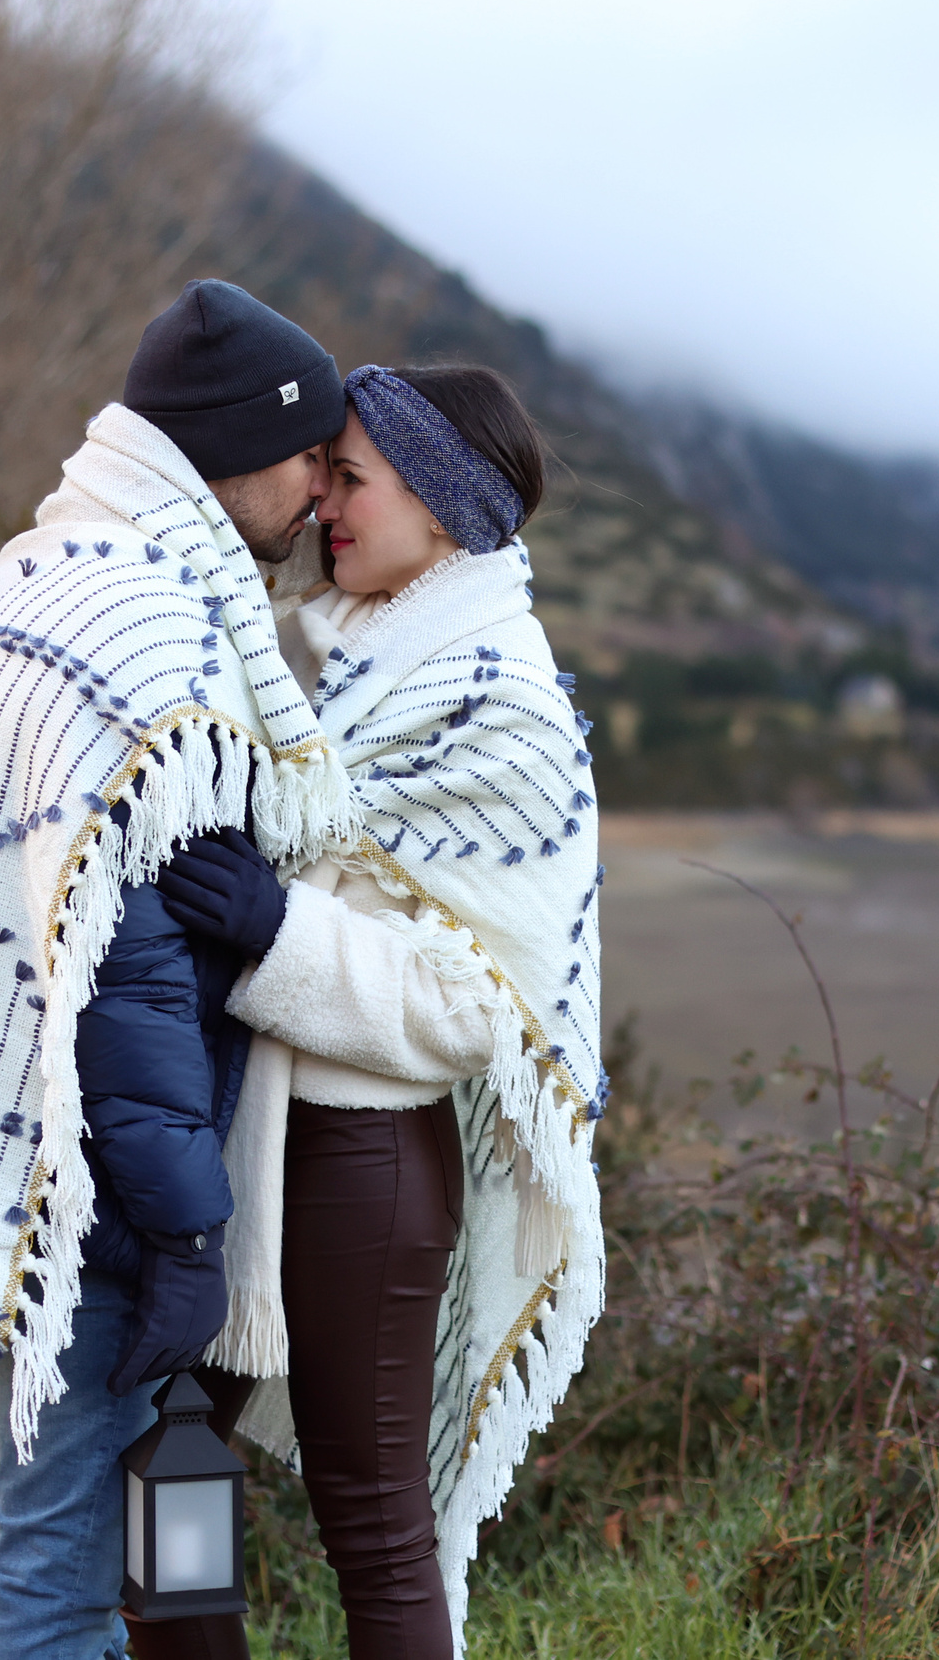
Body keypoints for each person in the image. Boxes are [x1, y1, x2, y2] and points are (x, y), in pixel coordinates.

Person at [0, 280, 362, 1660]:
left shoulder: (42, 571)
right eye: (310, 461)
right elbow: (128, 967)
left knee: (78, 1536)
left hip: (35, 1150)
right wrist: (180, 1230)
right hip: (100, 1179)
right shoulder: (155, 626)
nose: (319, 497)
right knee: (64, 1563)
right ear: (242, 445)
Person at [146, 364, 610, 1660]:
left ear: (443, 506)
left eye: (349, 478)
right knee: (163, 1458)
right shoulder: (295, 644)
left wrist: (271, 930)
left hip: (360, 1160)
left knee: (372, 1518)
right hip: (220, 1130)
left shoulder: (501, 708)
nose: (321, 503)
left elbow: (474, 1006)